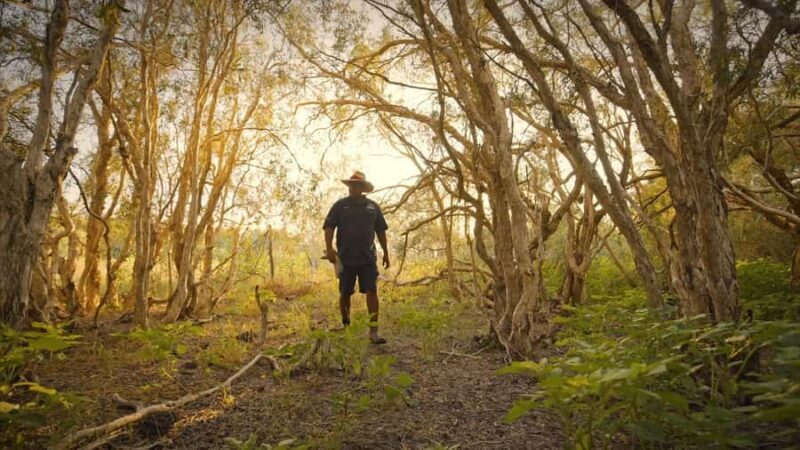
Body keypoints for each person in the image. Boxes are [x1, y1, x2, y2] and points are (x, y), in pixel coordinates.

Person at [323, 171, 390, 344]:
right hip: (345, 258)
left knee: (372, 291)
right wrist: (330, 249)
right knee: (345, 292)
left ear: (362, 188)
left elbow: (381, 230)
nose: (353, 188)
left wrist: (386, 252)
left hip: (368, 258)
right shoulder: (340, 206)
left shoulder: (372, 207)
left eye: (356, 185)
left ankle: (374, 331)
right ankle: (346, 327)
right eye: (351, 185)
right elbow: (329, 227)